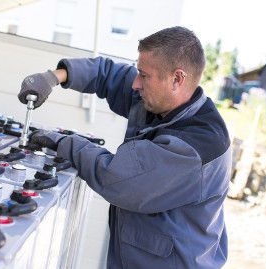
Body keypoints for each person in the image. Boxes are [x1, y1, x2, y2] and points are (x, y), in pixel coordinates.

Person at [18, 26, 231, 269]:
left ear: (177, 79)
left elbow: (117, 177)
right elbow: (108, 74)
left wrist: (62, 142)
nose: (135, 84)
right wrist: (53, 77)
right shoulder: (163, 102)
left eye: (144, 75)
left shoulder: (197, 145)